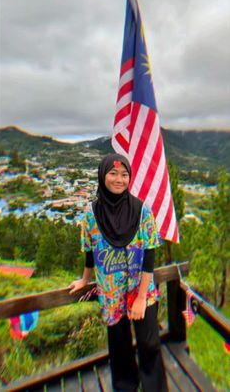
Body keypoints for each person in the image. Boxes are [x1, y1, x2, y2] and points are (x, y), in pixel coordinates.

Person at [69, 153, 168, 392]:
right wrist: (84, 279)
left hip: (140, 291)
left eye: (125, 174)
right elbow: (90, 251)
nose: (119, 179)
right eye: (113, 173)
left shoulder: (142, 210)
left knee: (149, 343)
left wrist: (142, 298)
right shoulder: (91, 214)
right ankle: (125, 387)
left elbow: (149, 255)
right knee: (119, 346)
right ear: (102, 176)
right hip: (111, 294)